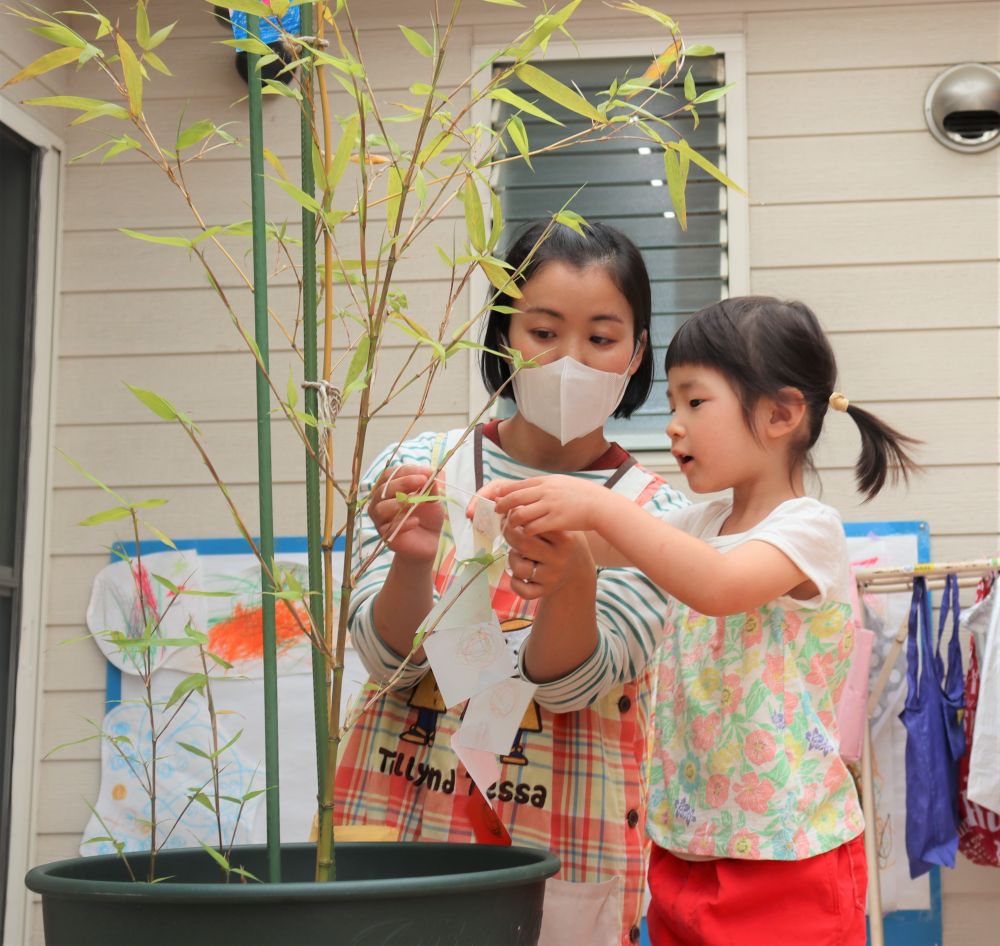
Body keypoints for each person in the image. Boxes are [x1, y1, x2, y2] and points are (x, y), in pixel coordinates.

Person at [481, 296, 921, 946]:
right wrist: (524, 514)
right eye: (674, 404)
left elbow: (718, 584)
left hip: (787, 856)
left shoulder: (807, 529)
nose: (673, 426)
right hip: (689, 843)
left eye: (695, 402)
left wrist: (599, 510)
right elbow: (606, 547)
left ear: (780, 413)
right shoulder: (699, 522)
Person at [334, 220, 689, 945]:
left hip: (560, 850)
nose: (570, 360)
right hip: (394, 826)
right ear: (502, 336)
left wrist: (572, 576)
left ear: (638, 351)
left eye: (601, 337)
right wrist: (410, 558)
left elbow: (567, 686)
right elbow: (384, 660)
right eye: (543, 331)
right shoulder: (417, 469)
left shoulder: (660, 518)